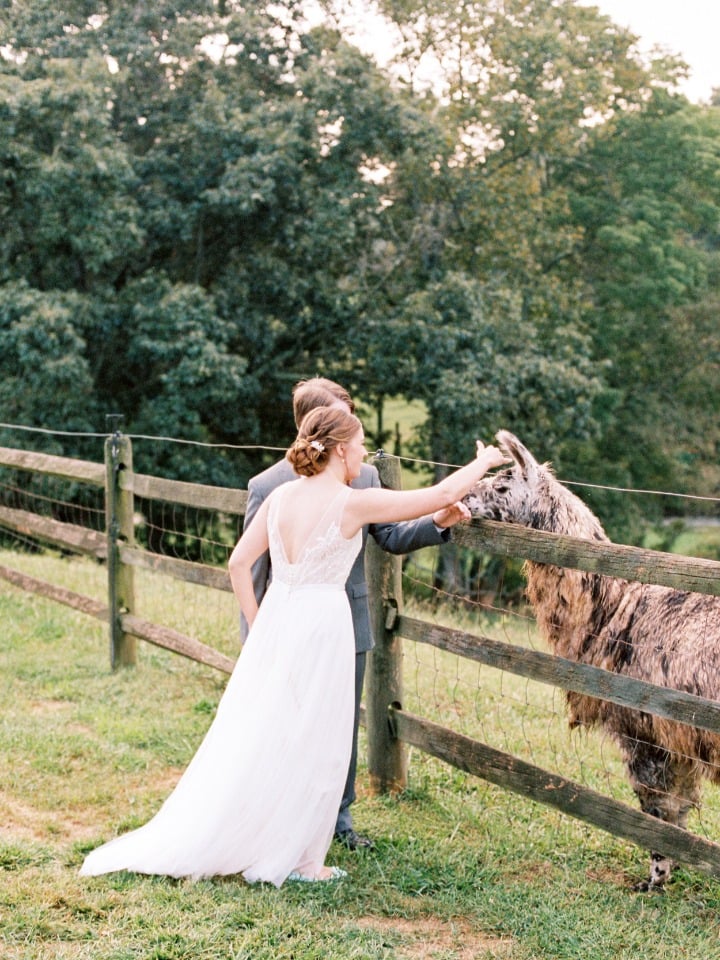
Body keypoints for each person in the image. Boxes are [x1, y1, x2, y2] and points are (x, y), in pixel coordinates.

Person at [79, 407, 507, 886]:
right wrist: (485, 460)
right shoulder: (352, 503)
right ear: (341, 449)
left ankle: (279, 843)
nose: (365, 453)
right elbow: (443, 492)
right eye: (361, 443)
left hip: (280, 618)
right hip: (323, 624)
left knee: (271, 732)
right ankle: (305, 861)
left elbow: (239, 564)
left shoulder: (280, 497)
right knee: (319, 740)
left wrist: (260, 626)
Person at [242, 377, 469, 851]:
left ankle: (337, 819)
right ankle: (277, 817)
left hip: (347, 624)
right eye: (342, 417)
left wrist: (438, 524)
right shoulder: (268, 486)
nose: (356, 437)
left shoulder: (364, 478)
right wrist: (257, 637)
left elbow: (390, 536)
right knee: (283, 724)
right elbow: (254, 568)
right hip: (285, 630)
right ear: (314, 425)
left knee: (339, 722)